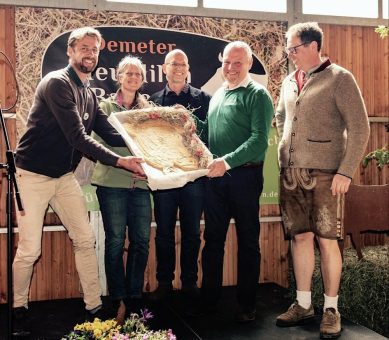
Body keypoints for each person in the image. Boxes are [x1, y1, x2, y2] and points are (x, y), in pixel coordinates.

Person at [12, 27, 145, 336]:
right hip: (32, 175)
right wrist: (121, 161)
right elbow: (78, 137)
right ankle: (18, 306)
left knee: (85, 240)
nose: (90, 54)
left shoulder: (87, 92)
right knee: (30, 249)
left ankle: (93, 304)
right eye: (84, 48)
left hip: (63, 177)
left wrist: (143, 148)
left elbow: (109, 132)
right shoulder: (57, 83)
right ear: (71, 51)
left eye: (94, 49)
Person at [275, 22, 370, 339]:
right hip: (291, 173)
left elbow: (360, 127)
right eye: (289, 48)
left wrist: (345, 171)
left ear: (313, 46)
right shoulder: (289, 81)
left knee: (327, 241)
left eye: (293, 47)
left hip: (328, 175)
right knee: (299, 237)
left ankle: (331, 309)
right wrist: (284, 147)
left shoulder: (340, 78)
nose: (290, 54)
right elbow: (281, 117)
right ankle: (303, 304)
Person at [194, 41, 274, 322]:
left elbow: (259, 141)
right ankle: (209, 301)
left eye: (237, 62)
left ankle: (247, 305)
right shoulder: (217, 95)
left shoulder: (258, 95)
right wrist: (195, 126)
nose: (230, 67)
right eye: (226, 62)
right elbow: (211, 135)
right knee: (212, 240)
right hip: (215, 179)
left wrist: (226, 162)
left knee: (248, 242)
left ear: (249, 64)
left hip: (244, 178)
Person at [91, 55, 152, 325]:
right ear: (119, 76)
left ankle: (134, 295)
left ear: (142, 79)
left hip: (141, 185)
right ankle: (117, 297)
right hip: (112, 183)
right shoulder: (104, 106)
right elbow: (98, 144)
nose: (133, 78)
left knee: (141, 241)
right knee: (115, 241)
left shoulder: (147, 109)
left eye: (137, 74)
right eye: (128, 73)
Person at [149, 49, 211, 301]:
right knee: (163, 231)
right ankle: (164, 282)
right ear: (164, 68)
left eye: (183, 64)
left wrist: (192, 119)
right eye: (174, 64)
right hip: (164, 176)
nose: (178, 68)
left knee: (192, 233)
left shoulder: (204, 98)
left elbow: (209, 136)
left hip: (194, 177)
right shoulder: (152, 100)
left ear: (188, 69)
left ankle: (189, 282)